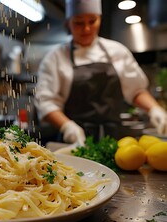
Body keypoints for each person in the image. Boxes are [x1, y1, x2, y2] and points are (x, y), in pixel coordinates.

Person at [34, 0, 167, 145]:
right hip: (76, 141)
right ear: (68, 23)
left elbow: (136, 90)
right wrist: (67, 127)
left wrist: (154, 109)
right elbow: (46, 102)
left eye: (92, 21)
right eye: (78, 23)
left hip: (115, 139)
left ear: (100, 19)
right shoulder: (55, 58)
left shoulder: (117, 51)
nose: (86, 29)